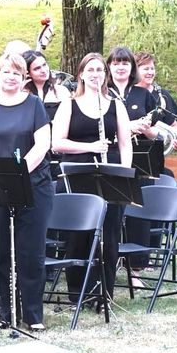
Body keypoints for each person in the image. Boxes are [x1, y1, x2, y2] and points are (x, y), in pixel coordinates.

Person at [0, 52, 54, 331]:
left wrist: (19, 175)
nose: (10, 77)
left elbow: (42, 145)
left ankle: (32, 315)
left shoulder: (34, 106)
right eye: (6, 72)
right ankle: (6, 313)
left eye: (16, 73)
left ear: (24, 78)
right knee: (3, 252)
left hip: (34, 187)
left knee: (31, 253)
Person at [51, 52, 132, 302]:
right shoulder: (69, 105)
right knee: (78, 236)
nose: (95, 74)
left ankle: (103, 293)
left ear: (105, 75)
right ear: (81, 74)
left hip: (108, 175)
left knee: (108, 236)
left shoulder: (115, 105)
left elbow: (126, 144)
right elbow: (57, 143)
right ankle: (78, 293)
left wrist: (123, 174)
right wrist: (90, 147)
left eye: (100, 70)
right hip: (76, 175)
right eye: (91, 70)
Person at [134, 51, 177, 150]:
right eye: (146, 69)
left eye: (152, 69)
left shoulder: (162, 95)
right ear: (135, 71)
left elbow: (173, 126)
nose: (150, 72)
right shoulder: (126, 93)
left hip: (156, 153)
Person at [106, 46, 159, 141]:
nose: (121, 67)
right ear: (109, 66)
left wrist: (145, 130)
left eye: (125, 64)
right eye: (116, 64)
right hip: (110, 152)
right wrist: (128, 126)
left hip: (141, 152)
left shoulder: (144, 94)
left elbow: (156, 131)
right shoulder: (102, 94)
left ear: (132, 67)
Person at [24, 49, 71, 124]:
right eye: (37, 68)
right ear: (28, 73)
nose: (43, 70)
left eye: (44, 65)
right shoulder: (22, 93)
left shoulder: (62, 91)